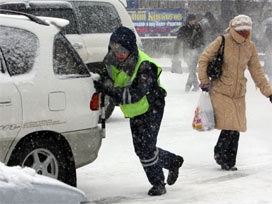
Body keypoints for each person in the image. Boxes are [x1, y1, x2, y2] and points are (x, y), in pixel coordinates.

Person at [94, 26, 184, 196]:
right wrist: (101, 83)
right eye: (115, 49)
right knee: (141, 148)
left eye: (123, 50)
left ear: (131, 49)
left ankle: (158, 183)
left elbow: (135, 94)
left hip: (152, 106)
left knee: (146, 149)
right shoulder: (110, 61)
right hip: (135, 110)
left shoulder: (144, 65)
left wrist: (110, 90)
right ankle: (173, 161)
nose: (119, 53)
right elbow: (104, 78)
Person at [198, 14, 272, 171]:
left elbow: (257, 72)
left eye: (247, 31)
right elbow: (204, 59)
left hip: (239, 92)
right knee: (230, 125)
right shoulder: (222, 41)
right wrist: (204, 81)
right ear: (234, 29)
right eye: (241, 31)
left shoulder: (250, 46)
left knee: (235, 127)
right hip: (220, 90)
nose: (244, 34)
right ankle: (221, 155)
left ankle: (229, 161)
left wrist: (269, 92)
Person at [171, 14, 205, 92]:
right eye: (193, 20)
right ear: (189, 20)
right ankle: (196, 85)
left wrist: (201, 47)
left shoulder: (198, 28)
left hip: (196, 51)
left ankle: (188, 85)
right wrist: (176, 51)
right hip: (186, 51)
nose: (194, 21)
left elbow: (202, 39)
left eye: (194, 20)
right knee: (191, 69)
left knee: (192, 68)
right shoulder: (184, 28)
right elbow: (178, 40)